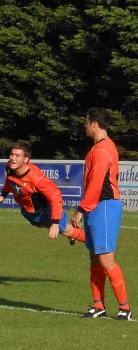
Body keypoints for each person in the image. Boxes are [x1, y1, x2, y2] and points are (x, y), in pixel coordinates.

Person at [71, 108, 131, 320]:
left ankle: (125, 308)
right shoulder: (99, 148)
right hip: (97, 207)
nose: (85, 126)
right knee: (96, 259)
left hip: (104, 206)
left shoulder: (103, 149)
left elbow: (96, 185)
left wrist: (79, 211)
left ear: (94, 124)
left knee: (106, 259)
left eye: (86, 122)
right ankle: (99, 305)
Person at [0, 142, 85, 244]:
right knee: (41, 224)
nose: (13, 158)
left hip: (45, 209)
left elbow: (55, 196)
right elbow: (10, 181)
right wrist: (3, 196)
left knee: (64, 229)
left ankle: (93, 242)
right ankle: (70, 231)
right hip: (28, 209)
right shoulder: (9, 166)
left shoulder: (36, 178)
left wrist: (55, 223)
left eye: (17, 156)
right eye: (12, 154)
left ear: (25, 160)